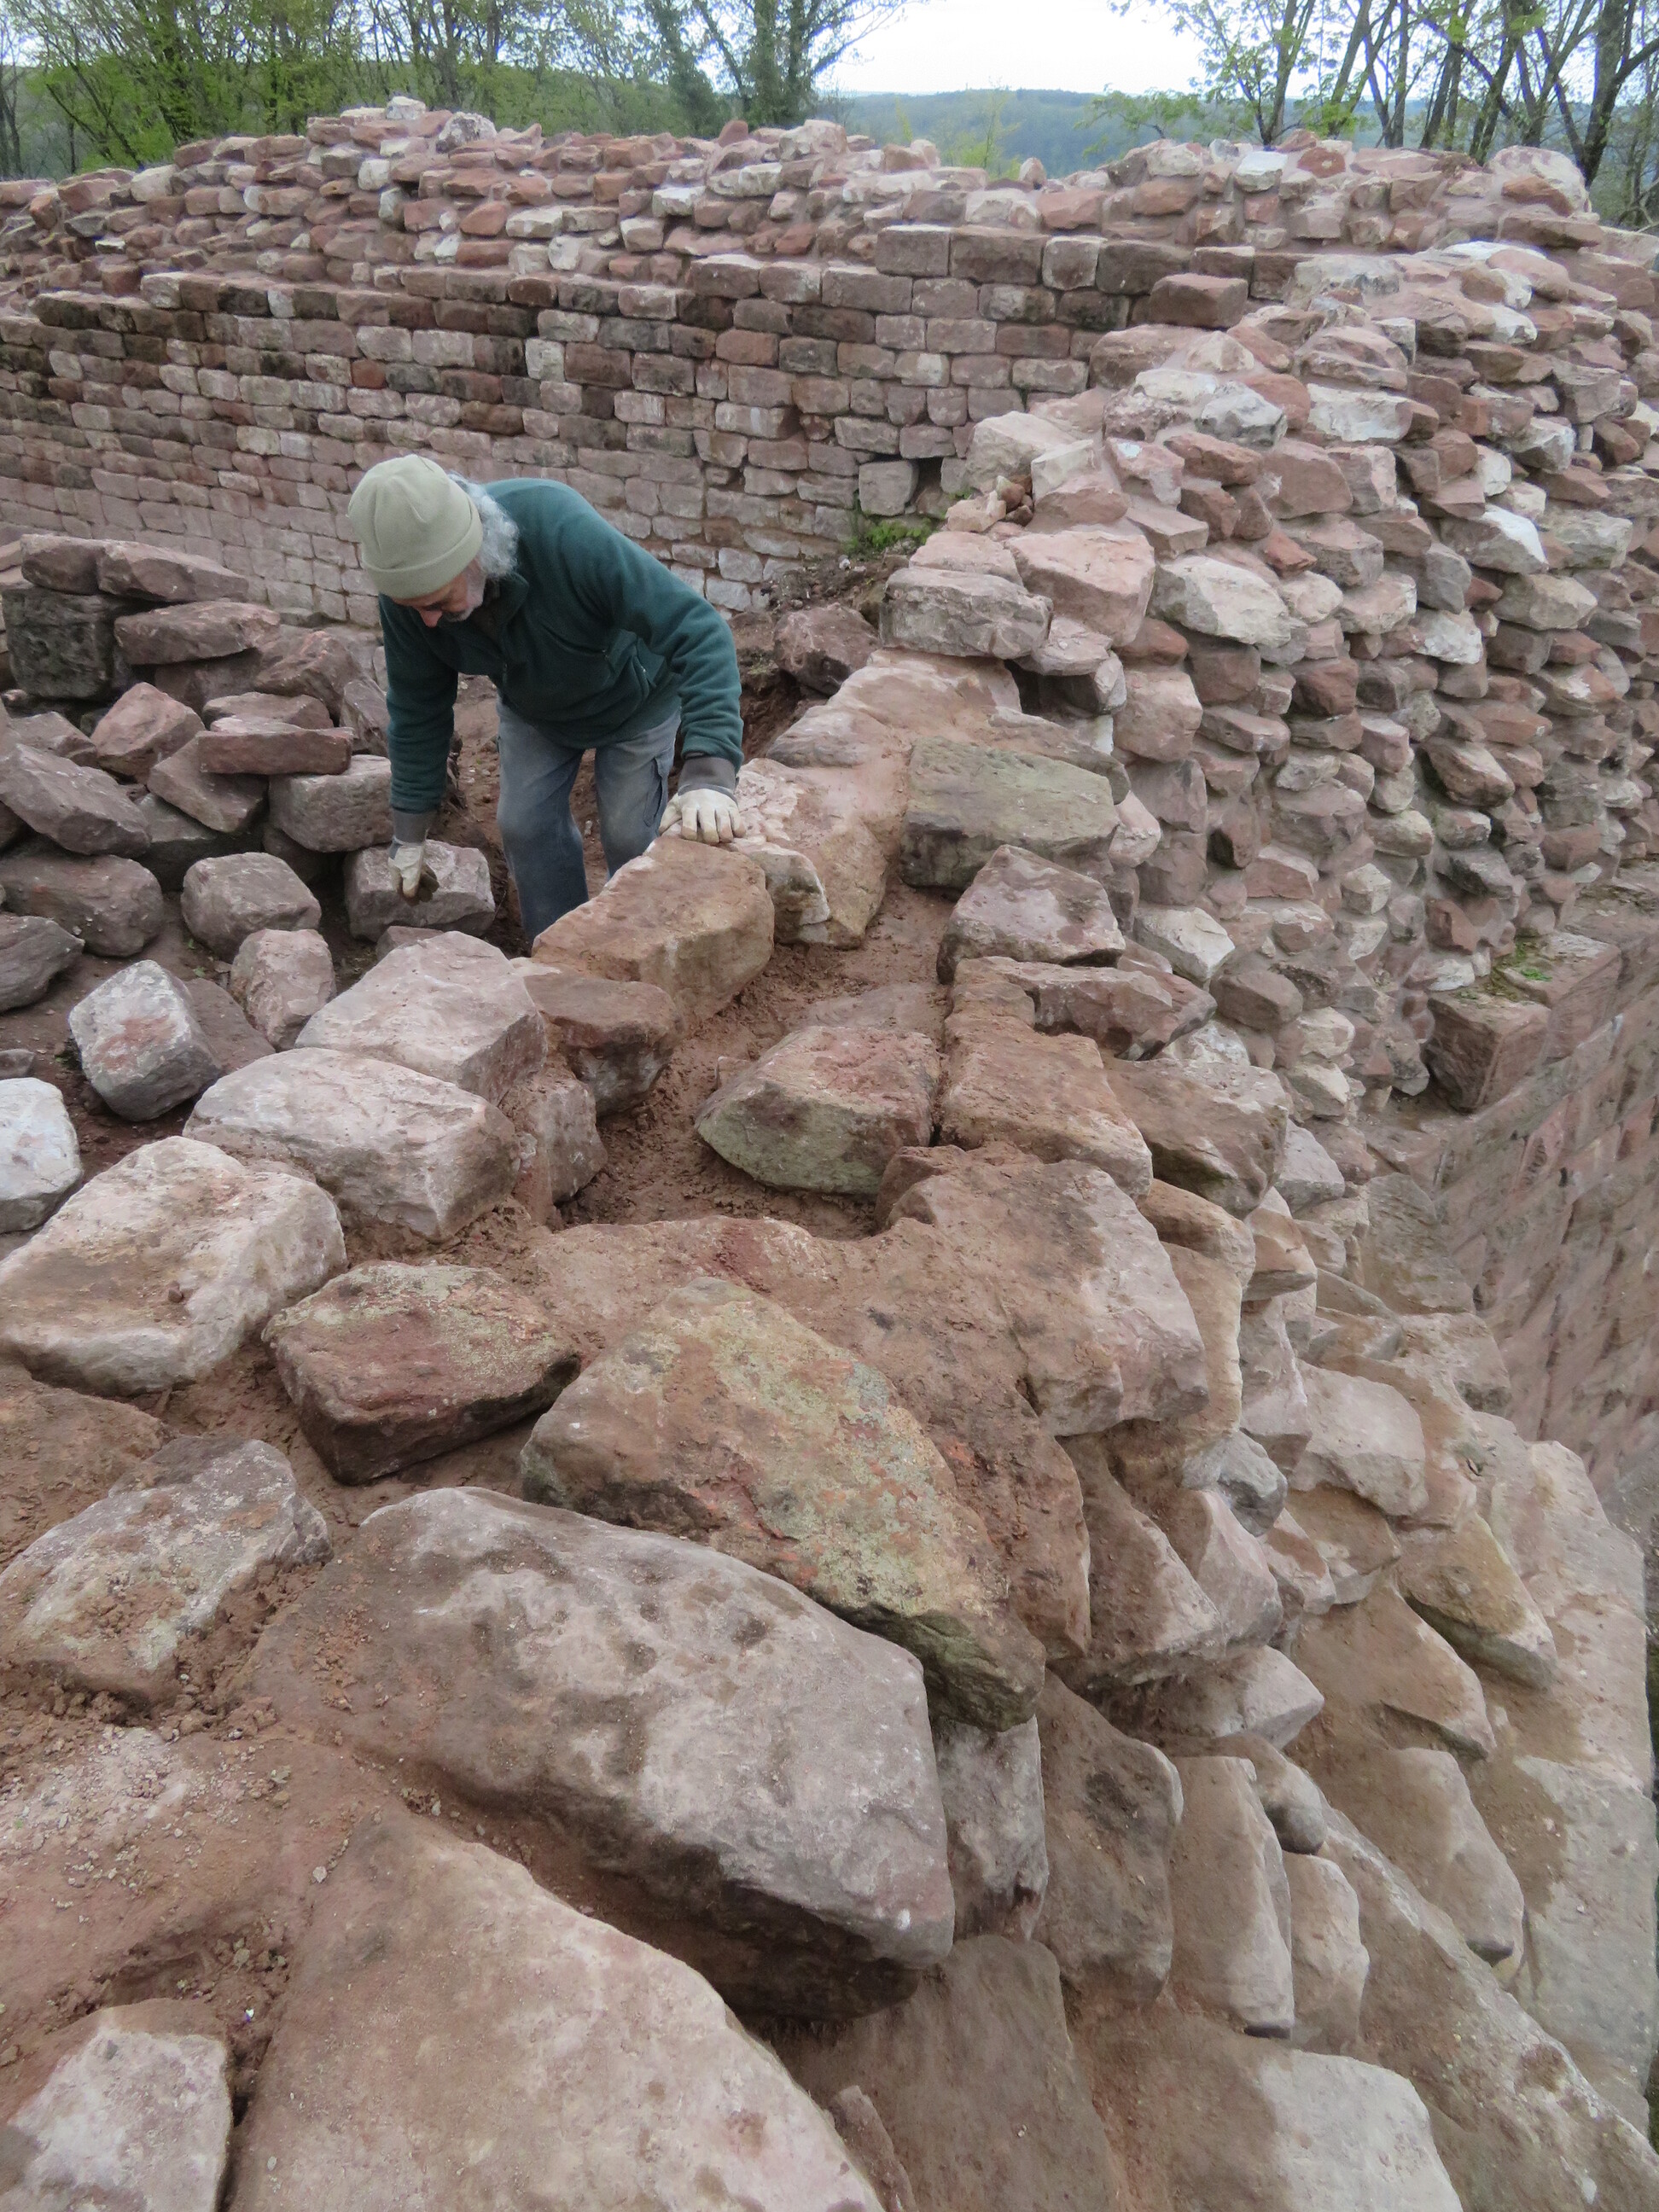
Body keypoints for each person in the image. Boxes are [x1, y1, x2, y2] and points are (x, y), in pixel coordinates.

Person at [346, 454, 745, 942]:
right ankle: (559, 949)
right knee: (524, 826)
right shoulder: (411, 600)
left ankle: (642, 953)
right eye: (412, 607)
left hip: (636, 702)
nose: (427, 620)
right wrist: (408, 833)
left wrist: (710, 772)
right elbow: (416, 709)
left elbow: (700, 631)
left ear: (475, 555)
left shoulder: (562, 533)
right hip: (534, 709)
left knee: (630, 835)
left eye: (437, 602)